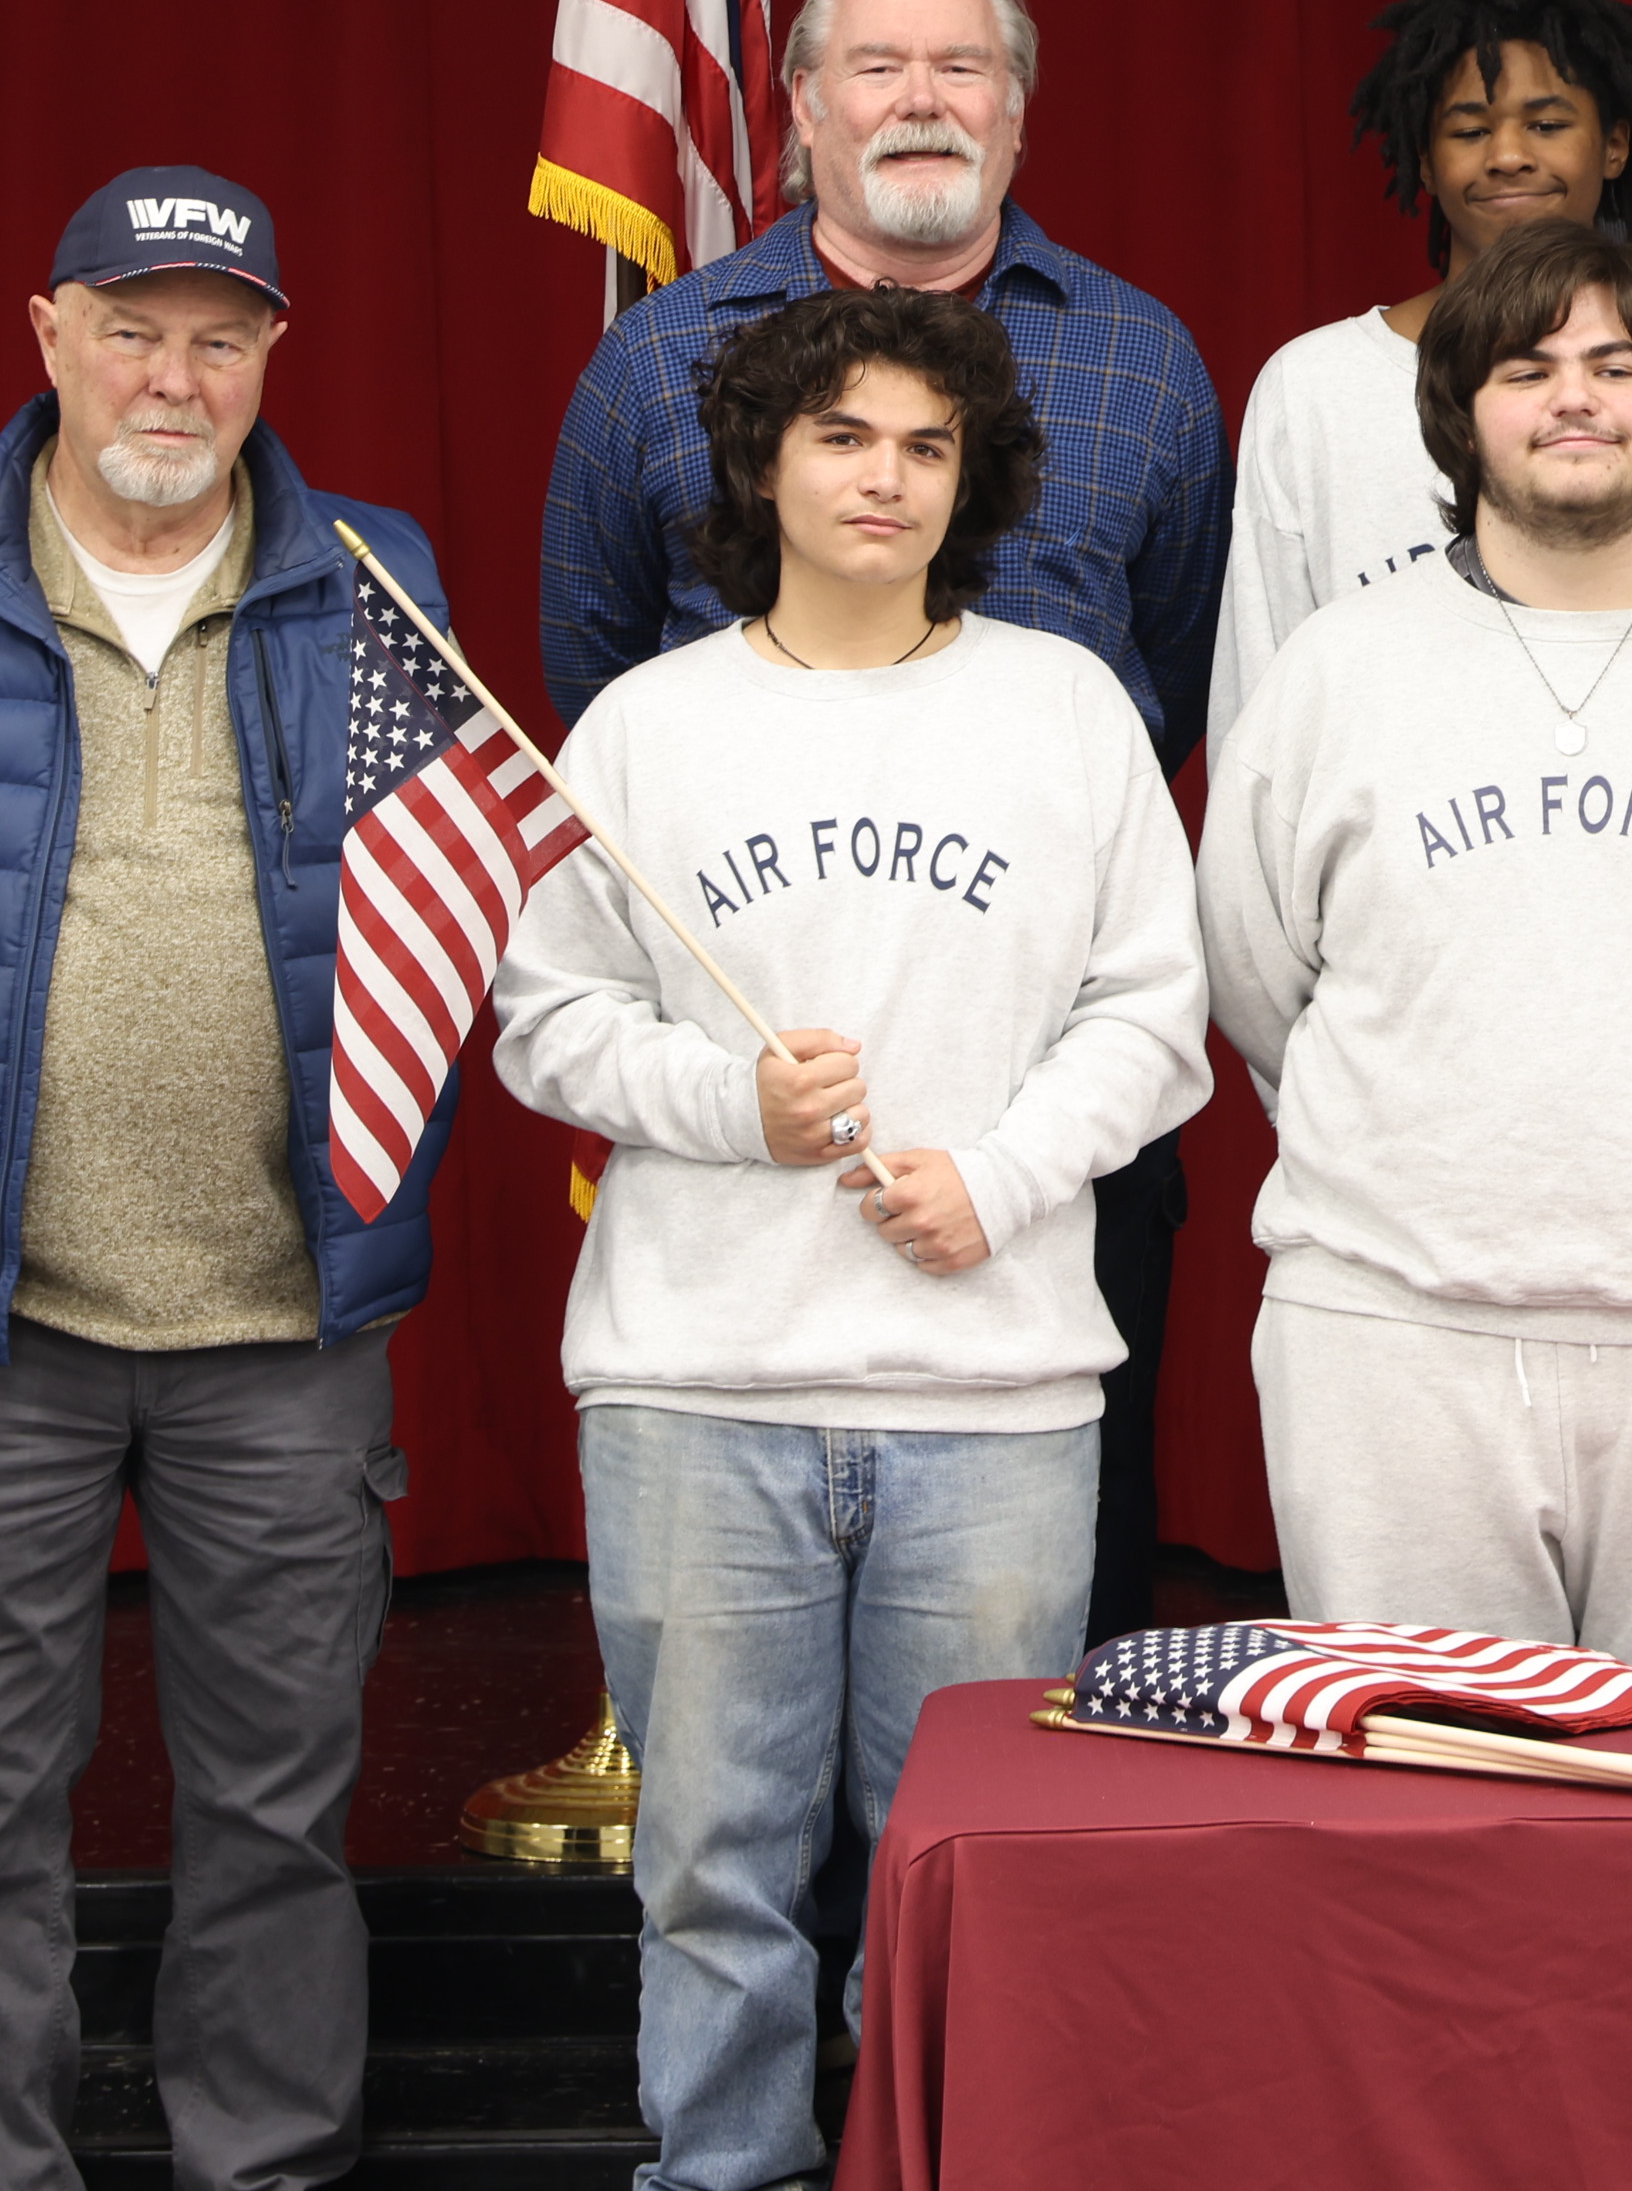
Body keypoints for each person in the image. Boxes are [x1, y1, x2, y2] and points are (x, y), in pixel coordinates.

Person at [0, 168, 454, 2191]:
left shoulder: (376, 583)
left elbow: (448, 914)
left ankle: (267, 2166)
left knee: (278, 1810)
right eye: (131, 325)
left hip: (283, 1322)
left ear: (272, 359)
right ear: (45, 331)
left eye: (220, 334)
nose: (173, 370)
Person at [495, 286, 1207, 2191]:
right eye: (841, 437)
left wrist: (1002, 1171)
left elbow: (1154, 1012)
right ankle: (717, 2167)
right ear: (761, 463)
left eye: (924, 443)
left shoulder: (1064, 708)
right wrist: (734, 1101)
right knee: (710, 1860)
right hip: (695, 1388)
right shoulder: (646, 726)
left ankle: (928, 2162)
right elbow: (543, 1015)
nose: (882, 477)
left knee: (953, 1856)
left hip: (993, 1400)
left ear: (970, 475)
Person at [535, 0, 1226, 1645]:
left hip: (1037, 1118)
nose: (921, 100)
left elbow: (1174, 677)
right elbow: (597, 671)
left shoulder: (1143, 360)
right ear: (798, 111)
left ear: (1015, 109)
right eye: (876, 66)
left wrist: (1017, 1140)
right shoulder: (657, 361)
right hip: (742, 1167)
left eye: (962, 67)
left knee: (1042, 1635)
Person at [1194, 220, 1632, 1670]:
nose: (1574, 396)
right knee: (1425, 1816)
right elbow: (1257, 970)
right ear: (1461, 414)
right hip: (1393, 1325)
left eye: (1615, 364)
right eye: (1528, 367)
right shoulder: (1339, 670)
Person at [1204, 0, 1632, 752]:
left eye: (1546, 125)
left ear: (1613, 146)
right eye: (1470, 130)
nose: (1507, 154)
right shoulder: (1313, 389)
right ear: (1426, 160)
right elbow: (1258, 696)